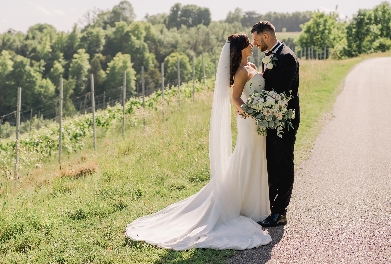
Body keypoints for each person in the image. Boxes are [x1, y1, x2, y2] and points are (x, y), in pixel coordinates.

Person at [125, 33, 271, 250]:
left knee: (258, 156)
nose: (252, 46)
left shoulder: (250, 64)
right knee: (247, 155)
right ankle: (247, 207)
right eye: (249, 44)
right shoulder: (241, 72)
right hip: (250, 121)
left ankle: (258, 205)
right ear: (241, 48)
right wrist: (252, 113)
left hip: (259, 120)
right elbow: (236, 98)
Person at [251, 21, 300, 227]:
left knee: (284, 164)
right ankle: (270, 207)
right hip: (272, 119)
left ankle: (281, 211)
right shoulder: (270, 55)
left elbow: (279, 94)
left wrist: (254, 105)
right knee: (271, 164)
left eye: (255, 39)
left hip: (284, 120)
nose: (254, 44)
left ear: (266, 37)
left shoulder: (286, 57)